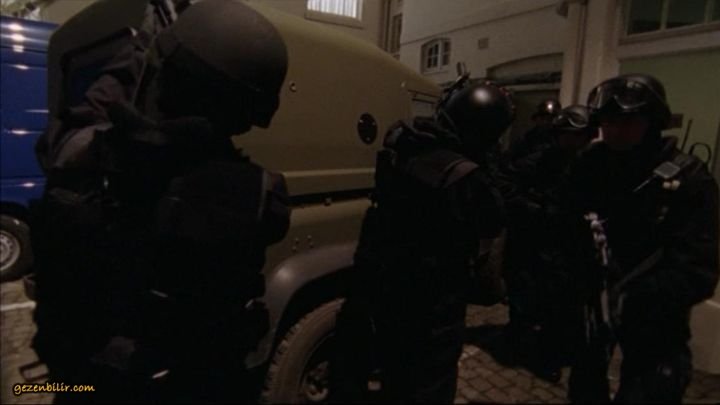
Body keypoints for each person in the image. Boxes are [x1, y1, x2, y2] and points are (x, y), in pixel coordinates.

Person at [31, 1, 290, 403]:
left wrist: (144, 50)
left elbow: (75, 127)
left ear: (163, 75)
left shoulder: (97, 157)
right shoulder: (261, 194)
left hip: (87, 384)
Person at [331, 78, 513, 403]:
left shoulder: (406, 146)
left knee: (395, 376)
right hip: (434, 307)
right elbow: (494, 218)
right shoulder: (465, 176)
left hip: (389, 290)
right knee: (431, 386)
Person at [566, 74, 719, 403]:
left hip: (655, 319)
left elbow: (699, 271)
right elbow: (567, 225)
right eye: (607, 121)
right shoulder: (590, 164)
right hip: (594, 308)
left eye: (627, 121)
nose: (614, 130)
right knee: (585, 390)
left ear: (653, 121)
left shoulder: (688, 178)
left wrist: (632, 297)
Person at [497, 105, 597, 381]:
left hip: (568, 245)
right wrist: (532, 208)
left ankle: (549, 353)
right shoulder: (538, 160)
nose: (576, 141)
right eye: (570, 135)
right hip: (533, 241)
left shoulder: (592, 165)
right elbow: (505, 185)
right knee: (523, 295)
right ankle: (517, 337)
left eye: (581, 136)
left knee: (562, 304)